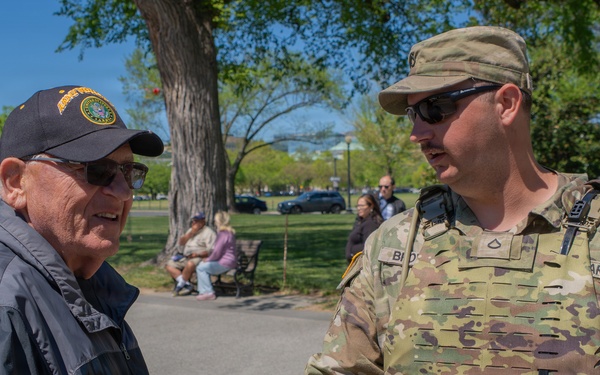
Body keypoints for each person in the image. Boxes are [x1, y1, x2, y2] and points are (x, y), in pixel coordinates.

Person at [306, 26, 600, 374]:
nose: (417, 134)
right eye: (414, 115)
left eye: (436, 108)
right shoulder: (394, 243)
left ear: (506, 104)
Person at [0, 85, 164, 374]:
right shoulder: (7, 304)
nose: (123, 192)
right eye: (96, 169)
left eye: (128, 172)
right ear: (15, 183)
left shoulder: (89, 279)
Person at [165, 211, 216, 296]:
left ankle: (179, 287)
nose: (194, 222)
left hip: (199, 257)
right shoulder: (191, 230)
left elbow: (211, 250)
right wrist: (191, 233)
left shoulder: (209, 233)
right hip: (186, 256)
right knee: (169, 265)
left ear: (203, 221)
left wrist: (198, 255)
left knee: (190, 264)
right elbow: (181, 242)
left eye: (197, 220)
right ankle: (186, 285)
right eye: (193, 220)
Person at [195, 211, 237, 301]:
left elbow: (217, 252)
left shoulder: (222, 234)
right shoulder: (229, 232)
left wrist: (208, 259)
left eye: (215, 221)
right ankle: (203, 291)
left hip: (225, 263)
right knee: (202, 266)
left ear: (219, 221)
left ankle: (208, 292)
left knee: (201, 268)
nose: (215, 222)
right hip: (229, 261)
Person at [345, 194, 383, 264]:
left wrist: (352, 251)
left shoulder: (370, 224)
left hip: (362, 265)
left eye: (362, 206)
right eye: (358, 206)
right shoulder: (361, 221)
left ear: (371, 206)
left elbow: (369, 246)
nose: (359, 208)